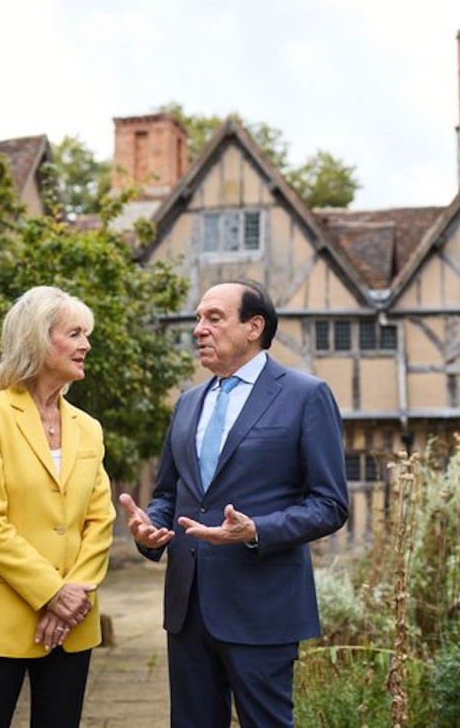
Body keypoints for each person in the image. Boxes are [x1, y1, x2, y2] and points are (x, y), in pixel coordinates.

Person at [120, 279, 349, 728]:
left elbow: (330, 503)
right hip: (187, 610)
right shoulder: (187, 404)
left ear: (254, 327)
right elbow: (170, 493)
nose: (199, 329)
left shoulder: (305, 395)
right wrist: (152, 529)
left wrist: (256, 530)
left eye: (214, 318)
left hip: (262, 607)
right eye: (198, 319)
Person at [0, 286, 116, 728]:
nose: (87, 345)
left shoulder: (90, 428)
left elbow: (100, 520)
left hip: (73, 621)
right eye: (76, 333)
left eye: (87, 334)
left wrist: (73, 596)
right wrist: (52, 593)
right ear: (39, 340)